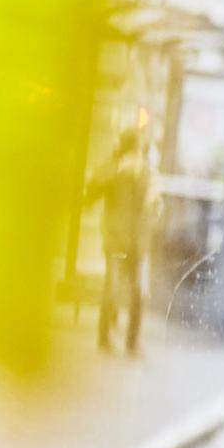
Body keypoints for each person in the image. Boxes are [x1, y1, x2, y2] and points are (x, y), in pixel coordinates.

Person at [94, 128, 150, 356]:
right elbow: (94, 188)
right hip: (117, 240)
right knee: (113, 290)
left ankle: (132, 342)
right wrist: (118, 168)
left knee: (138, 292)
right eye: (137, 146)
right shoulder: (115, 167)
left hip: (136, 243)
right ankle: (104, 338)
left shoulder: (143, 170)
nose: (139, 151)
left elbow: (148, 204)